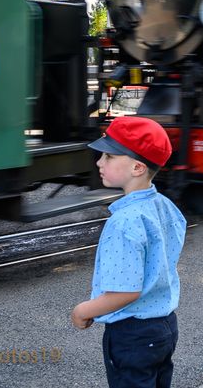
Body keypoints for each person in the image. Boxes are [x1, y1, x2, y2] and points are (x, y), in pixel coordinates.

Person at [71, 115, 187, 388]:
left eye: (109, 157)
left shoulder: (124, 222)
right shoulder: (164, 206)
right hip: (164, 327)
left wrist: (83, 310)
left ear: (137, 167)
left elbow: (126, 291)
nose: (99, 162)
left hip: (132, 334)